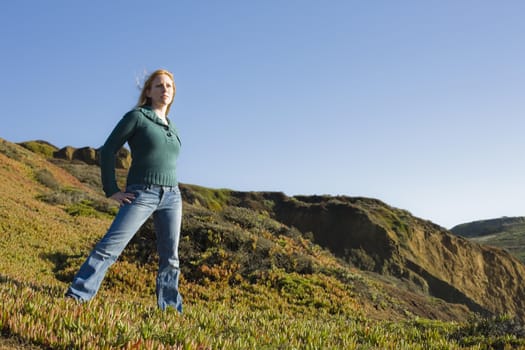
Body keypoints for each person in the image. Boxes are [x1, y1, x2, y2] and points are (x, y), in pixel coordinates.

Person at [65, 69, 183, 312]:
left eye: (169, 86)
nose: (165, 90)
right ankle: (77, 297)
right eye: (159, 86)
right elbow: (107, 150)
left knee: (170, 257)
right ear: (148, 92)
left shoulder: (172, 127)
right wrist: (112, 190)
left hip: (172, 196)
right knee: (110, 247)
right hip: (143, 193)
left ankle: (170, 309)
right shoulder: (137, 117)